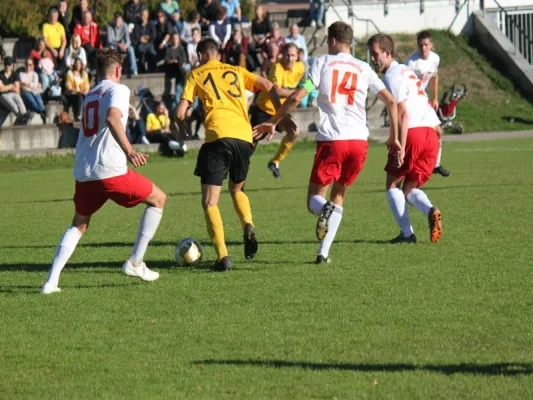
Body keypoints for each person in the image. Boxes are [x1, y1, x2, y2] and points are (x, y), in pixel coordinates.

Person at [252, 22, 400, 264]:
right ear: (349, 42)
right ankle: (323, 253)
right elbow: (391, 102)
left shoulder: (322, 63)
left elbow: (298, 96)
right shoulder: (364, 68)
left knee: (314, 199)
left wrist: (274, 120)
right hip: (359, 142)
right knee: (339, 193)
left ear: (331, 41)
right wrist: (393, 137)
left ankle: (325, 211)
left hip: (334, 140)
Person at [41, 48, 167, 294]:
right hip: (110, 170)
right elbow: (112, 118)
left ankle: (51, 282)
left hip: (85, 172)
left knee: (79, 224)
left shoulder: (91, 94)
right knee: (159, 199)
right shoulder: (118, 89)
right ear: (118, 70)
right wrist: (130, 151)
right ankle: (135, 262)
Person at [175, 38, 290, 271]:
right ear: (218, 55)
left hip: (218, 137)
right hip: (245, 137)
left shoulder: (196, 74)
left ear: (200, 56)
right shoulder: (236, 70)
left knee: (210, 202)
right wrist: (279, 117)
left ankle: (223, 256)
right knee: (237, 189)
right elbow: (268, 86)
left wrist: (184, 129)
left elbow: (180, 113)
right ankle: (248, 223)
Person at [368, 33, 443, 244]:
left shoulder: (391, 76)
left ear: (387, 52)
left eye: (375, 55)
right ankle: (431, 211)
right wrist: (437, 129)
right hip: (431, 132)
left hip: (413, 133)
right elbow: (423, 102)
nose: (373, 59)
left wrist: (398, 144)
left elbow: (402, 112)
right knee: (410, 189)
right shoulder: (408, 71)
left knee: (392, 185)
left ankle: (407, 234)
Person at [250, 43, 305, 178]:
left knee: (295, 132)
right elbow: (277, 91)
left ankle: (275, 162)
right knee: (251, 142)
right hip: (264, 109)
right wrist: (298, 93)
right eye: (287, 55)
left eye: (293, 55)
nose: (289, 58)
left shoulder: (300, 68)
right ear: (282, 55)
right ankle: (240, 162)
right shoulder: (276, 68)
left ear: (297, 56)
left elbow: (305, 84)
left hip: (280, 111)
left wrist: (305, 89)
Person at [407, 30, 451, 177]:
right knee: (414, 137)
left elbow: (435, 76)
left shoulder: (435, 59)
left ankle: (436, 165)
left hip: (423, 99)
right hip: (412, 101)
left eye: (426, 45)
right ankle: (409, 167)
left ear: (431, 45)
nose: (423, 48)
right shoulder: (412, 62)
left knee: (438, 131)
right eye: (421, 45)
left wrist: (435, 98)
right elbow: (405, 84)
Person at [0, 57, 31, 125]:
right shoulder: (1, 74)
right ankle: (23, 118)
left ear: (12, 65)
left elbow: (17, 89)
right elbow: (1, 89)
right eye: (6, 64)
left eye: (9, 64)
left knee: (20, 101)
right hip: (3, 95)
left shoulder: (15, 74)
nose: (8, 66)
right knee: (13, 105)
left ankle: (24, 116)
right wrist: (11, 86)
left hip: (13, 94)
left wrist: (6, 87)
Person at [107, 12, 138, 77]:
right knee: (112, 49)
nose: (117, 22)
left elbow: (128, 40)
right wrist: (119, 45)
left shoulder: (125, 25)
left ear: (122, 20)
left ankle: (134, 70)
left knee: (131, 49)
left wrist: (125, 46)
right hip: (115, 45)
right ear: (113, 19)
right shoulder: (109, 26)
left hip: (123, 46)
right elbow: (110, 40)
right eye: (116, 20)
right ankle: (113, 71)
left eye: (119, 20)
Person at [163, 32, 188, 108]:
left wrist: (178, 62)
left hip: (179, 69)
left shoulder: (181, 48)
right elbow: (166, 60)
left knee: (182, 69)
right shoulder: (168, 49)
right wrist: (174, 61)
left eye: (176, 39)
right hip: (171, 69)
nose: (175, 40)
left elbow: (184, 60)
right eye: (174, 39)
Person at [19, 58, 47, 123]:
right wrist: (32, 85)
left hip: (35, 91)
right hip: (26, 92)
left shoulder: (35, 74)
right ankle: (42, 113)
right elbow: (24, 87)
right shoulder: (21, 74)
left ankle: (43, 116)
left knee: (40, 103)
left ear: (32, 65)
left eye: (30, 65)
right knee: (33, 102)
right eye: (27, 64)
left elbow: (34, 85)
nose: (28, 66)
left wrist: (28, 83)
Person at [132, 8, 157, 73]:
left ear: (147, 15)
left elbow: (153, 36)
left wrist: (146, 38)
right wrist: (144, 38)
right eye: (142, 15)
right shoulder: (137, 25)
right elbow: (136, 36)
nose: (143, 16)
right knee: (141, 51)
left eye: (144, 15)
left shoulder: (151, 24)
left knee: (152, 52)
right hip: (140, 44)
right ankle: (142, 71)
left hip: (149, 43)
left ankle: (154, 70)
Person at [249, 5, 271, 70]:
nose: (257, 11)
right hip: (257, 39)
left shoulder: (266, 20)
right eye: (256, 10)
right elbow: (253, 33)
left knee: (267, 46)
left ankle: (267, 64)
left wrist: (263, 38)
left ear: (262, 11)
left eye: (258, 9)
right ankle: (256, 64)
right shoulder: (254, 21)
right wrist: (257, 40)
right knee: (250, 46)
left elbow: (269, 32)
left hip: (265, 38)